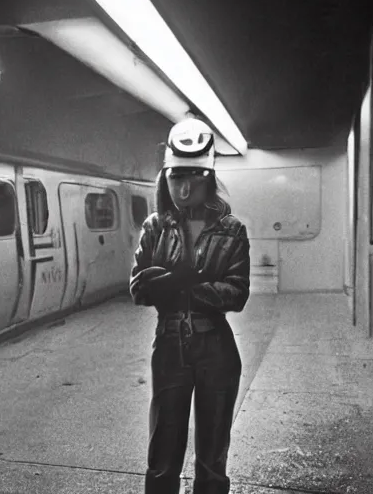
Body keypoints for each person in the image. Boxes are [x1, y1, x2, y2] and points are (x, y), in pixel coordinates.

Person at [129, 118, 251, 494]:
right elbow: (138, 288)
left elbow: (237, 292)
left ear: (209, 177)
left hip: (215, 346)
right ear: (165, 178)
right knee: (163, 452)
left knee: (213, 455)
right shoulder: (155, 227)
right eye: (175, 176)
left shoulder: (232, 230)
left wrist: (184, 285)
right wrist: (183, 281)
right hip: (169, 347)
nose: (183, 187)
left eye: (194, 176)